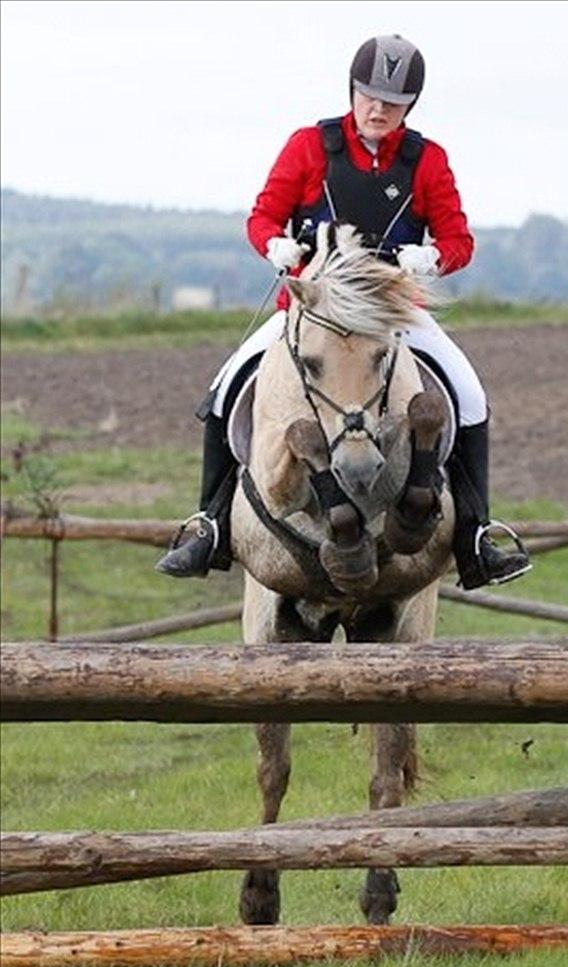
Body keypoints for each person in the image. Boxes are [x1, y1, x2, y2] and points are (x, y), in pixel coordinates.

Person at [156, 33, 531, 589]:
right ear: (353, 93)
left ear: (409, 106)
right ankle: (210, 523)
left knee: (470, 396)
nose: (378, 109)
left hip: (389, 313)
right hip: (314, 307)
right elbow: (263, 217)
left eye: (393, 101)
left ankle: (476, 534)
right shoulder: (310, 146)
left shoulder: (426, 161)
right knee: (224, 387)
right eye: (369, 96)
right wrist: (274, 246)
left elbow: (459, 238)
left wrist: (433, 257)